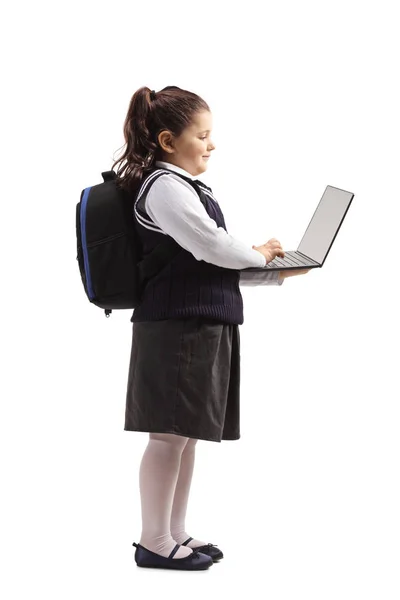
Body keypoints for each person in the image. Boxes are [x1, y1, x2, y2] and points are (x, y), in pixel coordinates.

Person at [111, 86, 310, 571]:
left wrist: (274, 271)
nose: (211, 145)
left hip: (197, 322)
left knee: (186, 434)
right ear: (167, 139)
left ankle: (173, 533)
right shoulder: (163, 186)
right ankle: (153, 542)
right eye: (202, 135)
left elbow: (209, 261)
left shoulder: (184, 186)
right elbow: (212, 247)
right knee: (167, 435)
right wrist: (259, 253)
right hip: (177, 326)